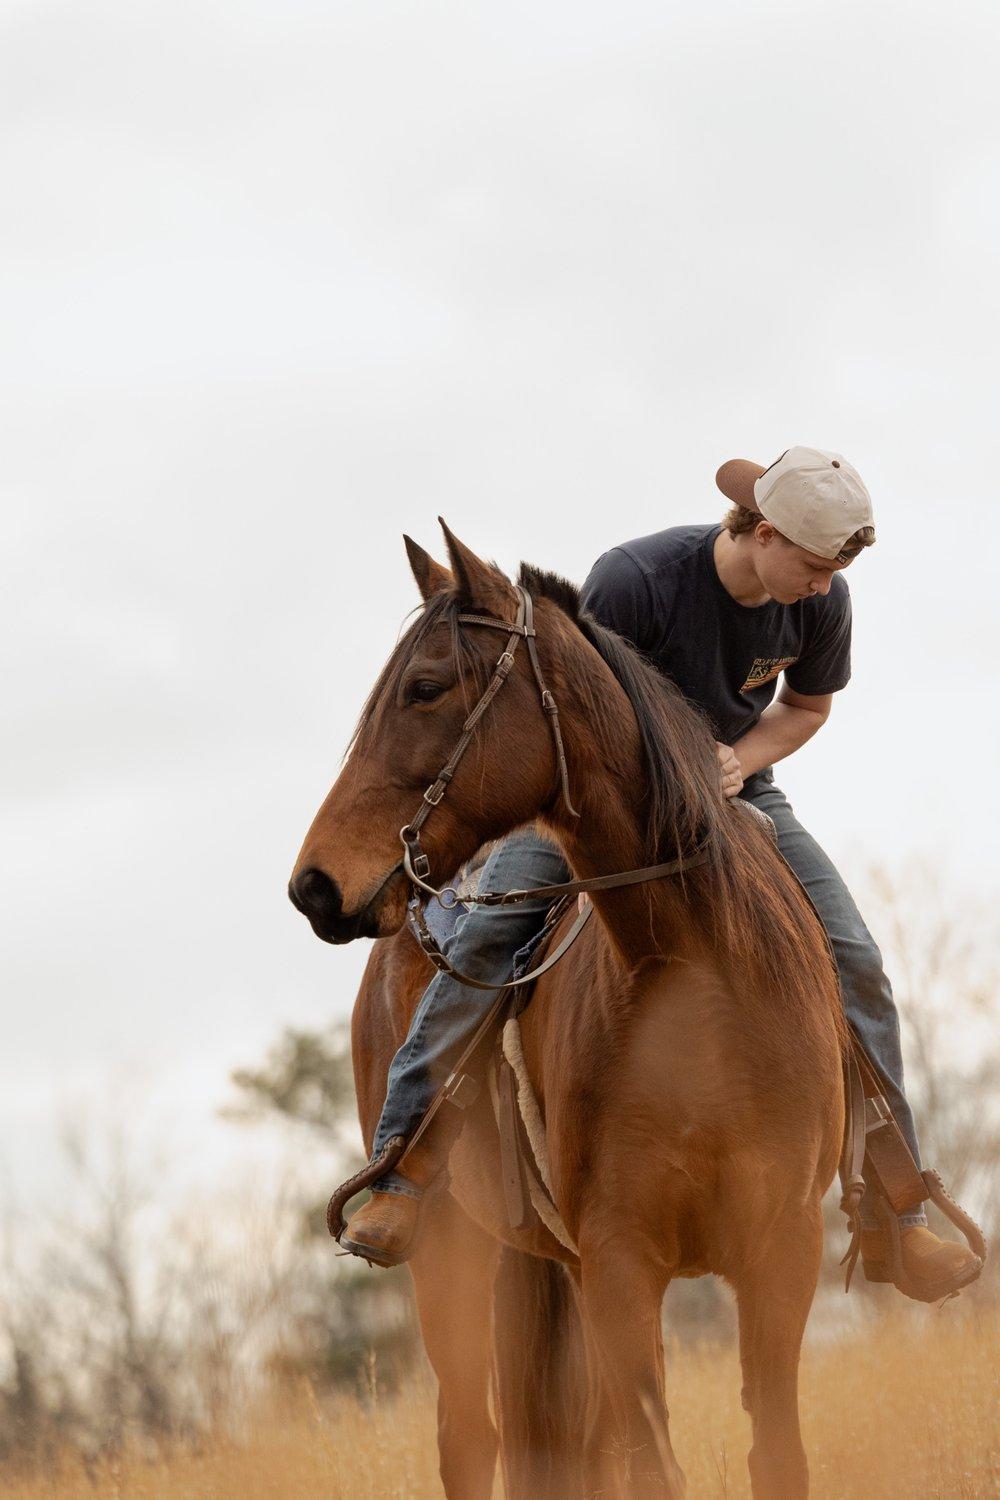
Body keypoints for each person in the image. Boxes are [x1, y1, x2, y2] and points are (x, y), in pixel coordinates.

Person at [340, 446, 981, 1300]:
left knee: (855, 958)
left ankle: (900, 1213)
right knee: (486, 938)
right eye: (816, 565)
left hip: (738, 797)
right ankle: (400, 1168)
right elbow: (571, 713)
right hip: (596, 806)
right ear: (760, 533)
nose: (825, 586)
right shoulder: (635, 581)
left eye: (837, 571)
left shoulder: (823, 604)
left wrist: (736, 760)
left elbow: (807, 707)